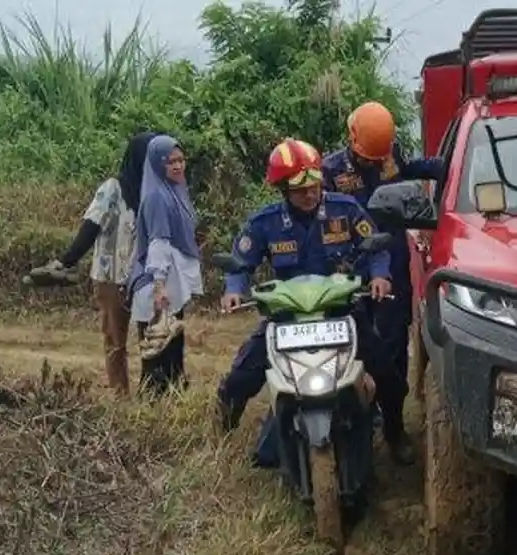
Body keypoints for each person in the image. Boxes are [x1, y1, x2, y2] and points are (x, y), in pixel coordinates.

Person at [216, 137, 395, 468]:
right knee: (243, 374)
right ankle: (223, 426)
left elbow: (377, 247)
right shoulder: (264, 223)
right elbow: (240, 264)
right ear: (283, 190)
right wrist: (233, 289)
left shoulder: (345, 209)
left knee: (385, 368)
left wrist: (380, 276)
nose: (310, 194)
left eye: (314, 186)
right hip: (287, 318)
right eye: (300, 190)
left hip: (341, 310)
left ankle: (392, 433)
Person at [321, 101, 444, 465]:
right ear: (352, 139)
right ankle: (349, 427)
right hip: (350, 269)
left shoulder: (391, 157)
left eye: (382, 156)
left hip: (392, 268)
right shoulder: (329, 173)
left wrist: (458, 164)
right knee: (346, 345)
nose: (377, 163)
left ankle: (394, 429)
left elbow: (424, 167)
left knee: (391, 352)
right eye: (370, 157)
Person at [25, 130, 165, 396]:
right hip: (111, 277)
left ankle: (152, 396)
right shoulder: (112, 189)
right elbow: (90, 227)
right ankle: (120, 395)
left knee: (153, 340)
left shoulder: (157, 192)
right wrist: (66, 261)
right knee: (115, 339)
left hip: (146, 280)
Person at [127, 134, 202, 396]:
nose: (178, 166)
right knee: (156, 357)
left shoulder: (174, 192)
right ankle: (151, 415)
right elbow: (158, 243)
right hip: (158, 286)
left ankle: (170, 405)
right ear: (158, 164)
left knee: (171, 351)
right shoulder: (158, 197)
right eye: (171, 162)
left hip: (170, 284)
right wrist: (159, 287)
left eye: (181, 160)